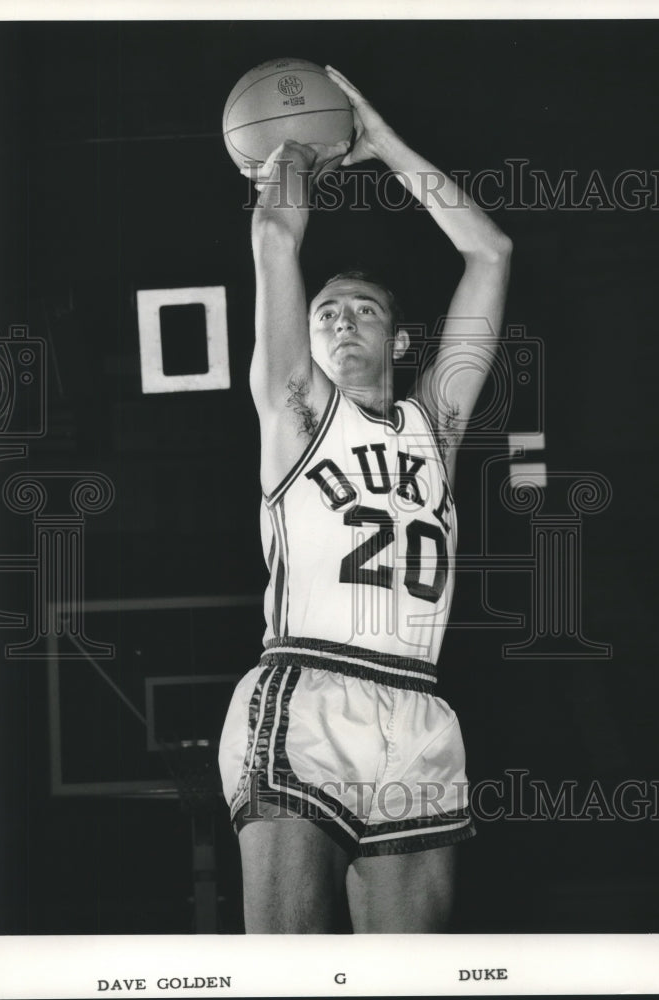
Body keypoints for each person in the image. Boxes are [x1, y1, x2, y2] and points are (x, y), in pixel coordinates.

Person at [218, 65, 511, 933]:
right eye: (326, 313)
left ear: (400, 335)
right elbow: (275, 236)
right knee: (294, 970)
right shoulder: (296, 408)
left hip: (418, 708)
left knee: (411, 977)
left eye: (362, 310)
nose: (341, 320)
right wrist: (296, 150)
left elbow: (489, 252)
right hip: (307, 687)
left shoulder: (436, 428)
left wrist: (379, 142)